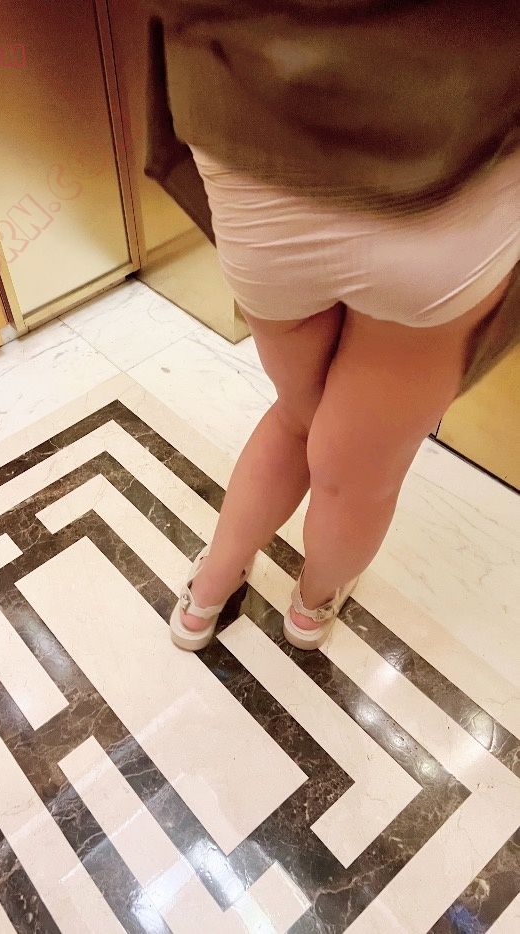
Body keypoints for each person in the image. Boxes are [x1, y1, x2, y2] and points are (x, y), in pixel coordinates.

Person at [140, 1, 520, 651]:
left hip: (254, 139)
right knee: (356, 474)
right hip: (456, 157)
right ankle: (311, 609)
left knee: (298, 415)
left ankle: (206, 595)